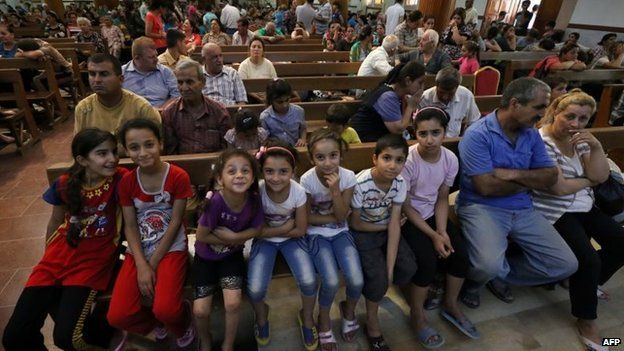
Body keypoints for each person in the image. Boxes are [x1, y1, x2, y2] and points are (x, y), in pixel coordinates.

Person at [455, 77, 578, 309]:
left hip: (522, 207)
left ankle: (501, 276)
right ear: (515, 104)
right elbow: (486, 187)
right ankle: (476, 282)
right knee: (486, 265)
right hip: (481, 207)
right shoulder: (478, 134)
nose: (542, 114)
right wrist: (532, 179)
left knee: (565, 264)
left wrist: (510, 175)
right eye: (538, 107)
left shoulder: (530, 134)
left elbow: (550, 176)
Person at [2, 129, 125, 351]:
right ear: (82, 160)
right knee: (14, 338)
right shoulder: (64, 183)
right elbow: (55, 221)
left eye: (114, 151)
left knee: (69, 339)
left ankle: (105, 334)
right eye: (102, 153)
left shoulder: (121, 179)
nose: (112, 159)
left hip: (93, 261)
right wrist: (47, 258)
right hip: (57, 257)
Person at [532, 89, 624, 351]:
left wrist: (595, 146)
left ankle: (585, 284)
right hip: (553, 209)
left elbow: (602, 176)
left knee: (620, 242)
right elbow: (557, 189)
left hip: (583, 205)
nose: (575, 124)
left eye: (583, 119)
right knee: (588, 259)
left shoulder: (581, 140)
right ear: (555, 113)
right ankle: (586, 320)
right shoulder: (540, 142)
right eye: (569, 116)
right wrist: (588, 180)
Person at [107, 118, 195, 350]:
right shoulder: (127, 182)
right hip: (139, 250)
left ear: (160, 144)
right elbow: (131, 226)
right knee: (117, 316)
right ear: (126, 150)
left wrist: (152, 263)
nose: (143, 152)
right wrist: (142, 263)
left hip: (170, 247)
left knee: (167, 309)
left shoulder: (177, 176)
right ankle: (153, 323)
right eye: (134, 147)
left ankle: (181, 322)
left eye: (149, 144)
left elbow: (176, 222)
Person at [401, 107, 480, 348]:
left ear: (445, 132)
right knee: (426, 262)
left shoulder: (450, 158)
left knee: (460, 254)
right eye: (423, 133)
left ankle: (450, 303)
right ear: (415, 134)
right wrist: (433, 235)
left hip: (435, 215)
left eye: (436, 132)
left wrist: (443, 231)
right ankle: (417, 315)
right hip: (411, 218)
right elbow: (405, 206)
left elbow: (442, 197)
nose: (429, 140)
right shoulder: (408, 160)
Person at [248, 141, 319, 350]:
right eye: (269, 171)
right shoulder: (258, 192)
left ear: (293, 171)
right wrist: (282, 228)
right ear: (262, 171)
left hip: (293, 240)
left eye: (283, 171)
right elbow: (255, 231)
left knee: (308, 281)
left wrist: (284, 230)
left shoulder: (298, 192)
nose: (276, 178)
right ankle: (262, 317)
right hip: (265, 241)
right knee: (255, 289)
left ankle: (306, 318)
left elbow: (301, 229)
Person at [350, 134, 416, 351]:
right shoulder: (360, 184)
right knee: (378, 280)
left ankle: (377, 290)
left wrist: (390, 268)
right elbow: (356, 224)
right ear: (374, 158)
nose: (393, 165)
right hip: (364, 232)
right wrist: (385, 227)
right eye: (387, 158)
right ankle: (372, 323)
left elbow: (396, 223)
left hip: (387, 227)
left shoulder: (399, 183)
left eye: (399, 160)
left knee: (407, 267)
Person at [193, 149, 264, 351]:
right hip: (205, 257)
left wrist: (234, 238)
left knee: (233, 304)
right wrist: (230, 238)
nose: (239, 175)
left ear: (252, 177)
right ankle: (205, 339)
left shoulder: (253, 200)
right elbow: (201, 235)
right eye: (232, 171)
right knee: (200, 311)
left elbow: (257, 228)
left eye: (245, 171)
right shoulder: (215, 201)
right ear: (220, 178)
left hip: (231, 257)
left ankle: (228, 344)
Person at [300, 129, 364, 351]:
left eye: (333, 156)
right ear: (311, 158)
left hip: (341, 232)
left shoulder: (347, 177)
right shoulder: (307, 180)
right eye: (320, 157)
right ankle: (324, 317)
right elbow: (307, 217)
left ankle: (349, 310)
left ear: (340, 155)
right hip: (317, 235)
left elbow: (341, 216)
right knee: (330, 281)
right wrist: (333, 216)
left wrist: (335, 191)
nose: (328, 163)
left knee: (356, 279)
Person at [74, 53, 161, 135]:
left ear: (120, 79)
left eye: (104, 74)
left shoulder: (141, 108)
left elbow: (157, 145)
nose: (97, 80)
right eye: (92, 74)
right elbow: (79, 148)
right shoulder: (83, 109)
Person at [162, 59, 231, 154]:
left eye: (189, 82)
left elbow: (226, 150)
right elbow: (170, 152)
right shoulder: (169, 113)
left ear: (202, 82)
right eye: (180, 82)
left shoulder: (219, 112)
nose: (184, 88)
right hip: (182, 166)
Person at [352, 61, 425, 142]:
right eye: (420, 83)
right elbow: (398, 130)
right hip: (364, 140)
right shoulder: (388, 96)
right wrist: (410, 106)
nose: (422, 87)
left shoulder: (399, 95)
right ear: (408, 81)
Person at [419, 67, 480, 138]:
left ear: (457, 87)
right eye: (441, 92)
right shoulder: (425, 98)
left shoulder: (466, 95)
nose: (445, 97)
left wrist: (466, 137)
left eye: (450, 93)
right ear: (436, 85)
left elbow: (474, 122)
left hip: (457, 140)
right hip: (431, 142)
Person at [122, 37, 180, 108]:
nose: (156, 59)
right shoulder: (122, 73)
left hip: (163, 114)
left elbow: (177, 95)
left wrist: (162, 110)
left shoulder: (165, 72)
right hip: (132, 116)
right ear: (137, 58)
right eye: (151, 57)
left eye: (156, 55)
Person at [260, 79, 306, 147]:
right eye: (279, 102)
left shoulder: (299, 111)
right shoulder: (264, 117)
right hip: (277, 151)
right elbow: (265, 139)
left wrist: (302, 139)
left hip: (295, 148)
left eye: (287, 100)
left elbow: (303, 129)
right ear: (271, 101)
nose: (285, 105)